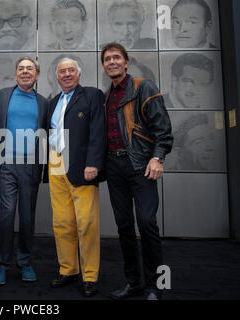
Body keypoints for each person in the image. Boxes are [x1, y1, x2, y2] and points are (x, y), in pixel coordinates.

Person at [101, 43, 173, 300]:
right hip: (114, 167)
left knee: (147, 223)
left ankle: (158, 285)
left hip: (141, 165)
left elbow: (162, 129)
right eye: (107, 59)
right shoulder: (106, 95)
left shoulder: (144, 87)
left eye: (116, 58)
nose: (112, 62)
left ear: (126, 62)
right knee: (124, 226)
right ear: (103, 65)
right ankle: (134, 283)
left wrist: (158, 157)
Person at [47, 57, 105, 297]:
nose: (67, 74)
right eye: (62, 71)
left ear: (79, 74)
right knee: (62, 222)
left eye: (71, 70)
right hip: (56, 163)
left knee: (87, 223)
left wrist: (93, 163)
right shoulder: (53, 102)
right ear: (57, 76)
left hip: (82, 167)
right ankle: (68, 269)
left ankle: (89, 275)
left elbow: (98, 131)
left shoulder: (92, 95)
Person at [0, 57, 48, 285]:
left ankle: (25, 262)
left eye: (30, 69)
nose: (25, 72)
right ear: (15, 74)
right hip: (6, 164)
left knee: (26, 217)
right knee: (6, 213)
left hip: (31, 165)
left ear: (36, 75)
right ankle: (1, 264)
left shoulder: (44, 102)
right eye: (21, 69)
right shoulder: (2, 95)